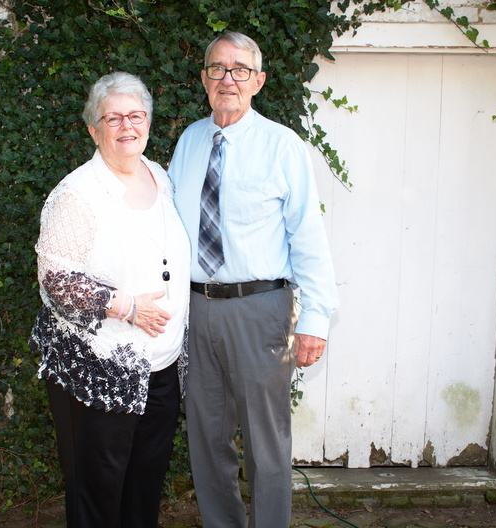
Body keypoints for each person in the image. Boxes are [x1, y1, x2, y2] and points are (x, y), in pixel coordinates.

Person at [168, 32, 338, 527]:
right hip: (196, 310)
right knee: (206, 438)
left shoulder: (283, 146)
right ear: (203, 78)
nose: (228, 79)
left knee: (266, 445)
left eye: (240, 69)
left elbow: (308, 236)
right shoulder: (189, 141)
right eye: (217, 68)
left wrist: (317, 319)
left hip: (261, 312)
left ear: (258, 81)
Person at [29, 71, 190, 528]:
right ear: (93, 129)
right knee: (97, 494)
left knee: (144, 489)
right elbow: (55, 282)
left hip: (160, 367)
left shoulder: (160, 176)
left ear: (148, 122)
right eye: (113, 118)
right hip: (98, 370)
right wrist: (127, 307)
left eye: (136, 116)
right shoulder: (76, 194)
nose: (126, 126)